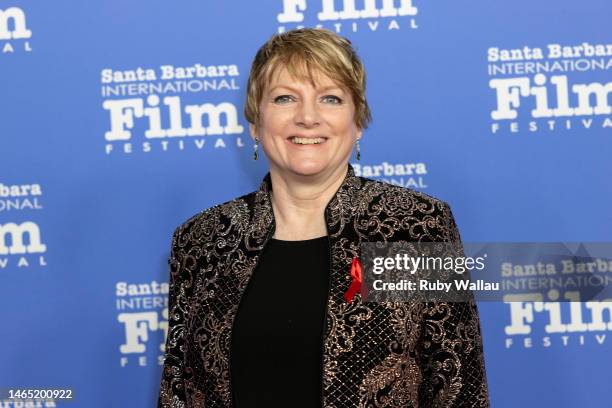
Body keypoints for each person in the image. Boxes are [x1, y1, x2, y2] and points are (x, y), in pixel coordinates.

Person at [158, 28, 489, 408]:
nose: (308, 118)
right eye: (285, 98)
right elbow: (177, 391)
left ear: (358, 122)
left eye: (330, 98)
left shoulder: (412, 225)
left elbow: (459, 386)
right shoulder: (203, 238)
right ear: (255, 123)